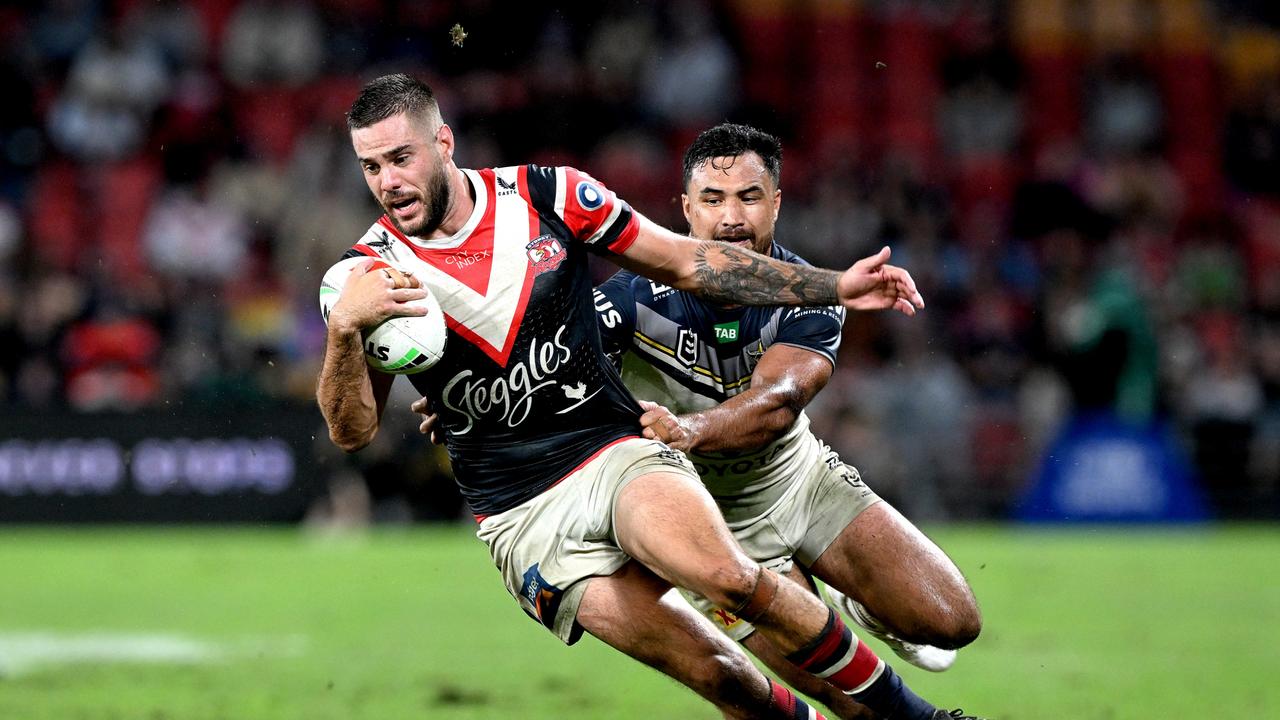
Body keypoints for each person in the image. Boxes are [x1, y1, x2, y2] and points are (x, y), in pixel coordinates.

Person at [320, 73, 978, 720]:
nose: (389, 181)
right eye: (370, 166)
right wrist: (347, 334)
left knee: (737, 581)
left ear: (444, 142)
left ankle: (920, 719)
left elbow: (691, 264)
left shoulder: (550, 195)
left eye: (401, 157)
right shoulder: (369, 277)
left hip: (614, 454)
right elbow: (352, 432)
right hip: (517, 512)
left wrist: (831, 286)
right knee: (726, 680)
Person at [591, 123, 983, 719]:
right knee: (850, 700)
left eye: (749, 197)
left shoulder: (810, 293)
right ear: (684, 210)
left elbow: (776, 403)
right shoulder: (628, 299)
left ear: (776, 201)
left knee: (953, 621)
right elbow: (548, 366)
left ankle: (863, 601)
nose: (731, 218)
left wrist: (690, 430)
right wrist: (463, 404)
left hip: (797, 479)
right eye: (712, 199)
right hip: (707, 525)